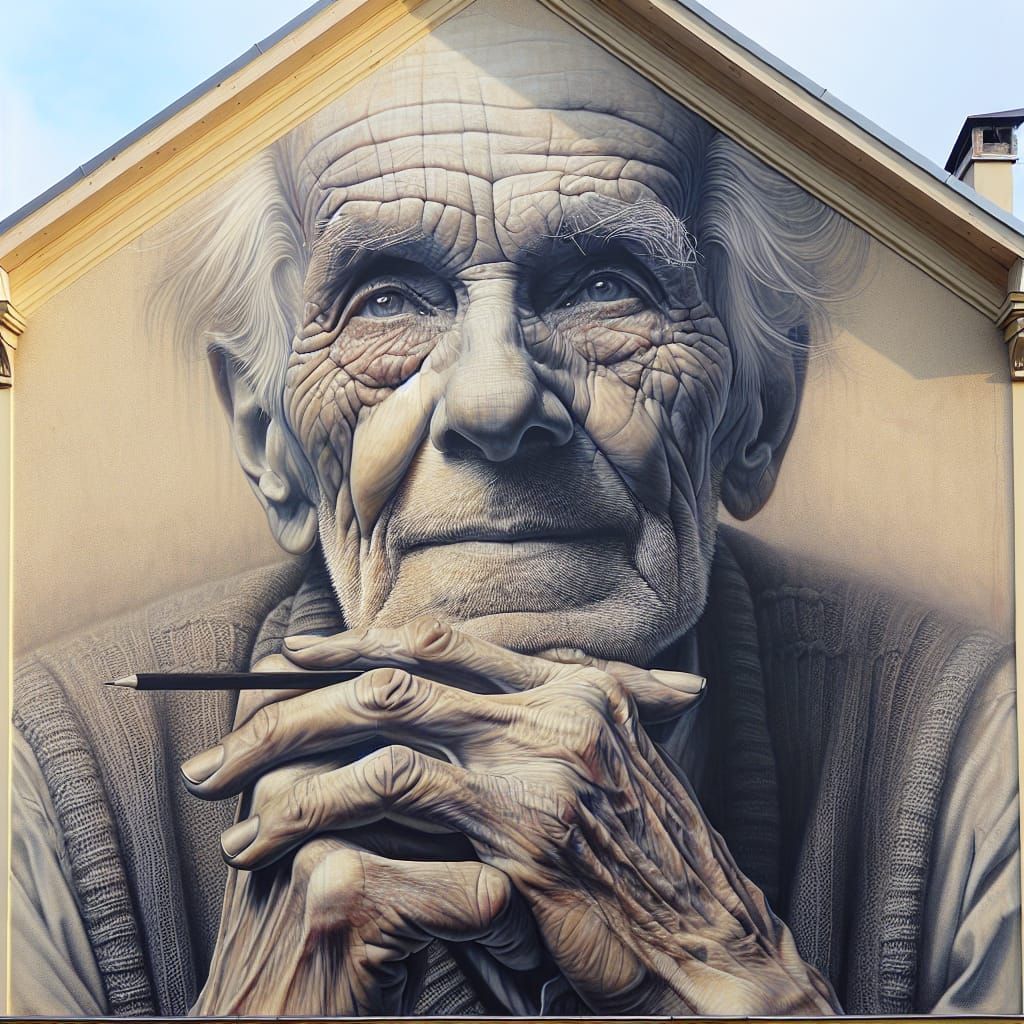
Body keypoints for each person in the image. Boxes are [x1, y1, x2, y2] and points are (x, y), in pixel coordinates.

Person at [11, 2, 1020, 1016]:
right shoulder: (52, 778)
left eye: (599, 285)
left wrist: (725, 967)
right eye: (387, 300)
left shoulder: (979, 744)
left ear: (756, 410)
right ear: (266, 440)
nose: (494, 399)